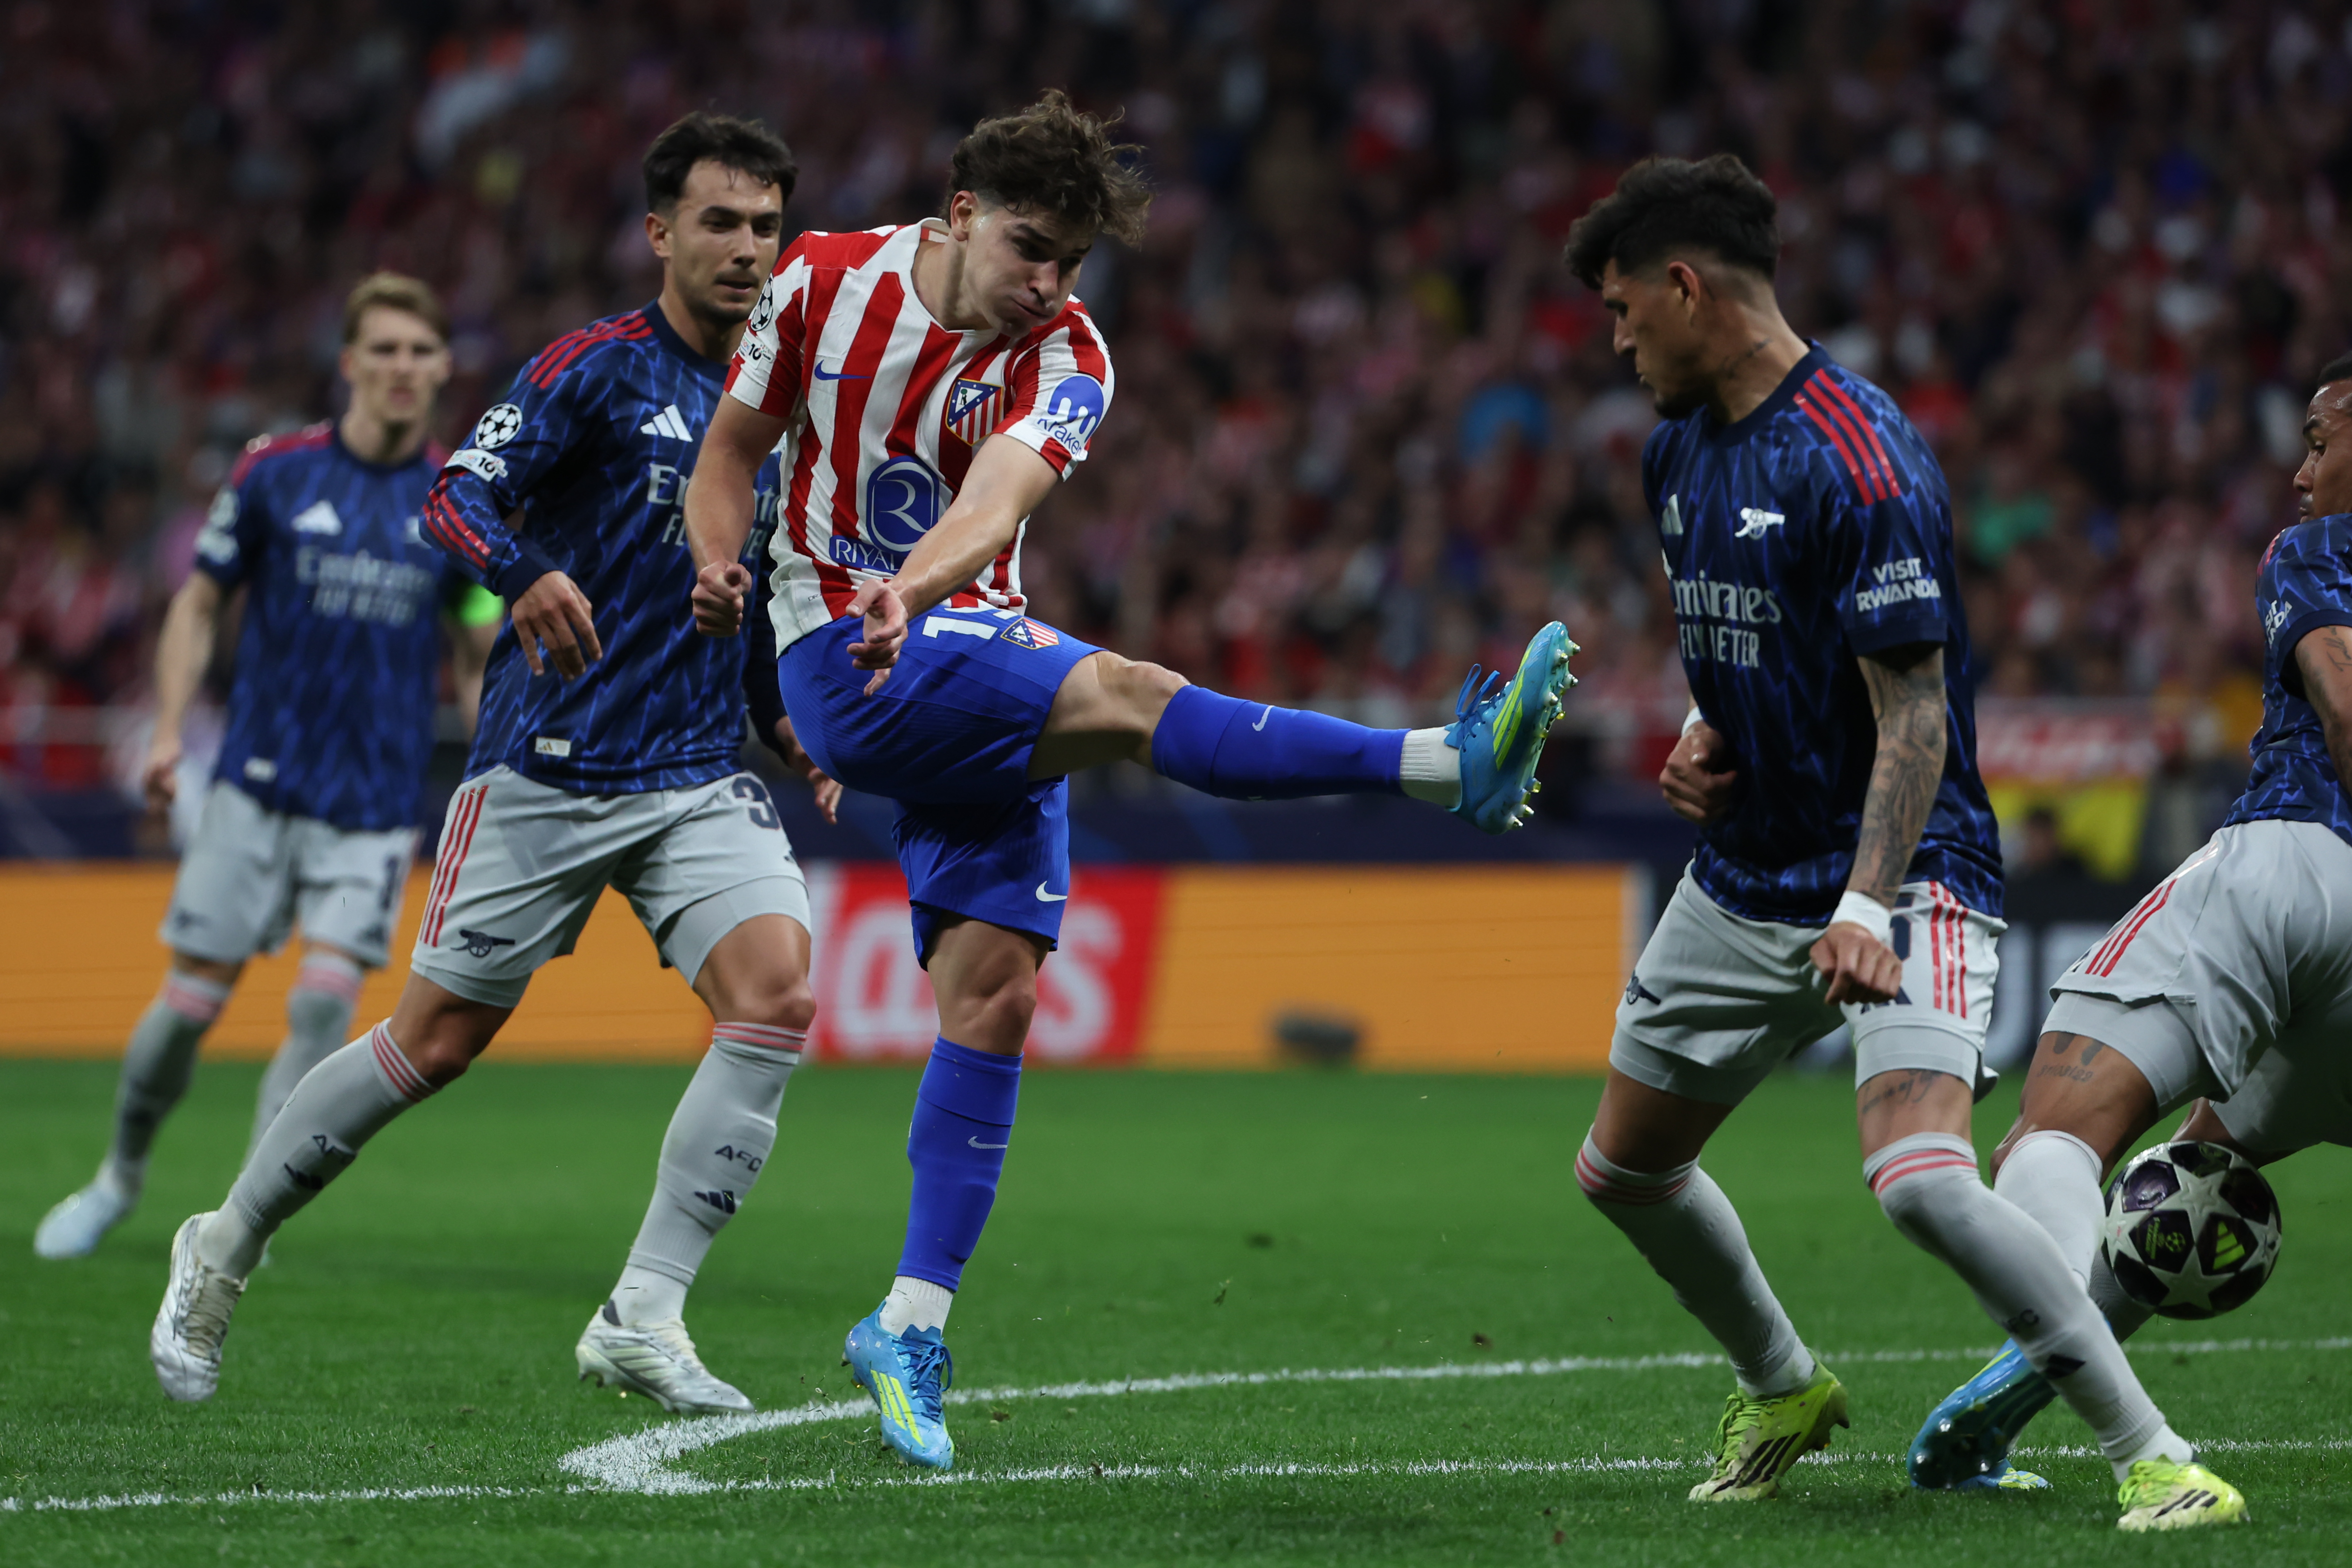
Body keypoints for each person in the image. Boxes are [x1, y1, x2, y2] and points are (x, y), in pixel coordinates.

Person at [683, 90, 1575, 1473]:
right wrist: (716, 567)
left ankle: (906, 1323)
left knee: (995, 993)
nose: (1050, 282)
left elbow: (998, 500)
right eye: (1033, 247)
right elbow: (728, 457)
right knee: (1134, 693)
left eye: (1075, 261)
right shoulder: (817, 281)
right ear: (961, 212)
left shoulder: (1071, 351)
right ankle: (1444, 765)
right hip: (836, 653)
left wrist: (915, 587)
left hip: (949, 631)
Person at [1560, 154, 2241, 1532]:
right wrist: (1707, 726)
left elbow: (1914, 710)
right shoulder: (1675, 445)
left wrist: (1867, 904)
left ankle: (2155, 1457)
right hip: (1748, 868)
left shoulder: (1859, 456)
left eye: (1624, 310)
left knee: (1920, 1178)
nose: (1616, 342)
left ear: (1687, 288)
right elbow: (1751, 628)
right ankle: (1782, 1383)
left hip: (1909, 869)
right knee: (1620, 1168)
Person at [149, 113, 834, 1418]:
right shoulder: (594, 370)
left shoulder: (781, 408)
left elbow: (746, 588)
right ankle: (222, 1239)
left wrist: (785, 723)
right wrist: (522, 573)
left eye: (765, 225)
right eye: (720, 223)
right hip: (550, 764)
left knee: (777, 996)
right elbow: (453, 493)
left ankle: (643, 1311)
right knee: (435, 1040)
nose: (748, 248)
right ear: (660, 234)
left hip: (692, 769)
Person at [1908, 355, 2352, 1509]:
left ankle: (2130, 1443)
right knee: (2199, 1167)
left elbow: (2343, 698)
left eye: (2319, 438)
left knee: (2049, 1140)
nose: (2302, 473)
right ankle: (2017, 1393)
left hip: (2295, 860)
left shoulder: (2320, 552)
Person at [34, 274, 494, 1261]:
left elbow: (474, 639)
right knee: (184, 1011)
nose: (403, 367)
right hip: (255, 786)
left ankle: (240, 1220)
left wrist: (491, 757)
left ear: (444, 367)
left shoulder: (460, 501)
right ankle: (118, 1173)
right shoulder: (275, 475)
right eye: (384, 349)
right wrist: (165, 733)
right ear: (349, 364)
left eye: (422, 350)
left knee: (324, 1005)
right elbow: (199, 604)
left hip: (370, 807)